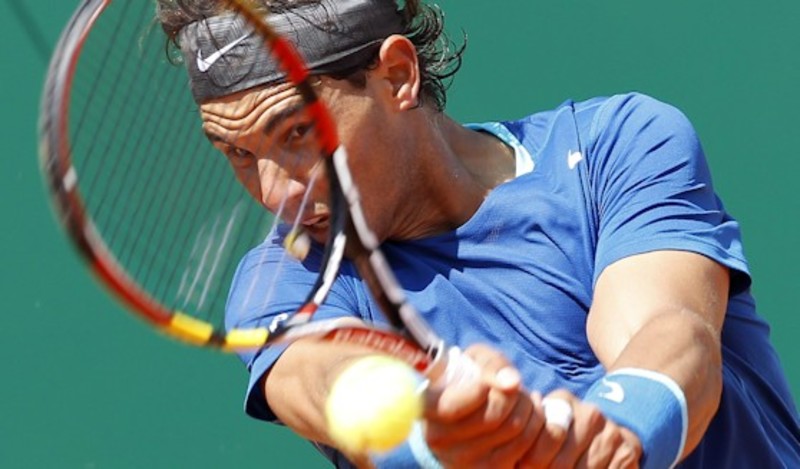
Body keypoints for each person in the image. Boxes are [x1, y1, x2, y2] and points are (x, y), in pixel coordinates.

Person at [157, 0, 800, 467]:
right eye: (237, 153)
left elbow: (670, 331)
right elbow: (320, 380)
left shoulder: (618, 145)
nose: (277, 195)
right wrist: (435, 421)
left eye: (298, 133)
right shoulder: (285, 280)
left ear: (397, 75)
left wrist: (617, 431)